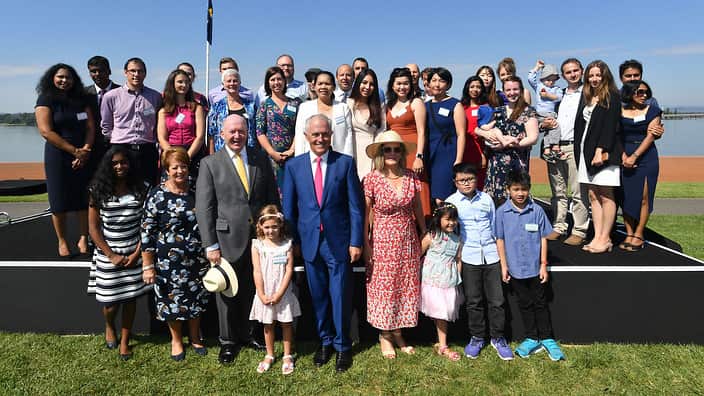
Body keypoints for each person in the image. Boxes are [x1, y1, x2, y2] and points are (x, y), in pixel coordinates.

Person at [282, 114, 364, 372]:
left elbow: (356, 208)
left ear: (331, 136)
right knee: (318, 296)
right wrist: (292, 241)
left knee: (340, 295)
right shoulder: (294, 167)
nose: (320, 138)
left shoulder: (346, 164)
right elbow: (289, 210)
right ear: (306, 137)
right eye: (315, 134)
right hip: (308, 242)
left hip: (338, 242)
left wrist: (356, 241)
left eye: (324, 134)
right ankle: (325, 341)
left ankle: (342, 346)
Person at [196, 114, 279, 364]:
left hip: (258, 240)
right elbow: (204, 208)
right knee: (227, 295)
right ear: (222, 134)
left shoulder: (259, 158)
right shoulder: (210, 163)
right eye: (231, 131)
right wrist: (210, 244)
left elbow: (270, 197)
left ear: (247, 133)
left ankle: (249, 334)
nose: (236, 136)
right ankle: (228, 342)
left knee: (253, 289)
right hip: (225, 240)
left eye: (241, 131)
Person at [141, 148, 209, 361]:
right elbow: (147, 231)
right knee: (172, 300)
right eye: (175, 167)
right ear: (166, 170)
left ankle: (195, 336)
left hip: (197, 259)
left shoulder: (197, 190)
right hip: (168, 262)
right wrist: (148, 265)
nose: (180, 171)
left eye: (184, 166)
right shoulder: (157, 195)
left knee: (196, 298)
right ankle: (177, 340)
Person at [362, 130, 425, 360]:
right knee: (384, 290)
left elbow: (417, 207)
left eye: (396, 149)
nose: (391, 153)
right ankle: (385, 335)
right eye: (387, 149)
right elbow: (365, 214)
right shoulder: (372, 179)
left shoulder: (410, 176)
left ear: (401, 153)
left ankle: (398, 332)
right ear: (380, 152)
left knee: (404, 287)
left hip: (407, 239)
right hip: (382, 241)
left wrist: (424, 232)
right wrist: (365, 244)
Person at [445, 163, 513, 361]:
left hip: (491, 255)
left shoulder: (486, 199)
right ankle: (476, 337)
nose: (466, 184)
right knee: (473, 301)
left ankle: (498, 338)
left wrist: (503, 261)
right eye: (462, 180)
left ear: (477, 180)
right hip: (469, 256)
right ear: (455, 182)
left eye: (470, 179)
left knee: (497, 301)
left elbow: (494, 227)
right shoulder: (452, 202)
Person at [496, 171, 565, 361]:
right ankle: (532, 337)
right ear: (508, 190)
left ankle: (547, 338)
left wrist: (543, 265)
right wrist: (504, 266)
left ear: (529, 190)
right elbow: (500, 240)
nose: (520, 193)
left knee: (540, 303)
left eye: (524, 189)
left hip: (535, 268)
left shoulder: (537, 211)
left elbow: (543, 238)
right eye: (516, 189)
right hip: (516, 270)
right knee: (524, 304)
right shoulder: (502, 213)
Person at [86, 147, 148, 360]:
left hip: (134, 252)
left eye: (124, 162)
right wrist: (110, 255)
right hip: (108, 253)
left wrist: (137, 253)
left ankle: (124, 341)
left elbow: (147, 224)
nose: (120, 166)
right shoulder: (97, 190)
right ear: (108, 166)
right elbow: (93, 228)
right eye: (115, 163)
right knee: (110, 304)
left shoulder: (142, 188)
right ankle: (109, 325)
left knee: (131, 300)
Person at [35, 63, 95, 257]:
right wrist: (74, 151)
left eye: (68, 77)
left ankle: (83, 237)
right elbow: (46, 131)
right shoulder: (46, 99)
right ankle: (62, 240)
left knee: (83, 197)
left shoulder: (81, 99)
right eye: (60, 77)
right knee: (58, 199)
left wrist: (85, 150)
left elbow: (90, 127)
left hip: (84, 154)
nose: (64, 80)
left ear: (74, 80)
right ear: (52, 78)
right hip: (58, 155)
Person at [574, 60, 622, 254]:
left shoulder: (611, 96)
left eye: (597, 75)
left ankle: (605, 238)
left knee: (606, 194)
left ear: (605, 76)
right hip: (585, 151)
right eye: (591, 76)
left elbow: (611, 126)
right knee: (593, 194)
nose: (594, 79)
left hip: (603, 153)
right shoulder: (587, 96)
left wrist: (600, 150)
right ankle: (597, 235)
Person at [541, 58, 590, 246]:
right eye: (568, 72)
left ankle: (579, 230)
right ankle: (559, 226)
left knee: (578, 192)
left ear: (581, 71)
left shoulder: (588, 94)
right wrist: (542, 124)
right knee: (558, 191)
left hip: (574, 147)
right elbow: (542, 116)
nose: (573, 74)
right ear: (563, 76)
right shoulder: (557, 95)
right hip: (554, 146)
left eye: (575, 70)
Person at [249, 205, 301, 375]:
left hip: (282, 292)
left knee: (286, 323)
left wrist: (279, 293)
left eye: (274, 227)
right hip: (265, 291)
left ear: (280, 226)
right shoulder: (257, 245)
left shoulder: (287, 245)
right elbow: (256, 270)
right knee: (268, 324)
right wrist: (262, 294)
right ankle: (270, 354)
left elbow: (288, 270)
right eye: (267, 227)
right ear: (260, 227)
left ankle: (287, 355)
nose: (270, 230)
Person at [478, 76, 539, 205]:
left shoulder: (528, 112)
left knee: (517, 200)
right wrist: (492, 141)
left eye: (515, 89)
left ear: (521, 90)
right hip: (496, 164)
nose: (512, 93)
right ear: (504, 92)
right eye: (508, 90)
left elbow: (533, 138)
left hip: (517, 163)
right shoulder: (498, 111)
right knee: (496, 201)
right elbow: (486, 132)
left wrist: (512, 143)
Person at [101, 57, 162, 185]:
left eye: (140, 71)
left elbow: (158, 124)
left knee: (148, 187)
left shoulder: (155, 97)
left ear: (145, 73)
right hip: (121, 149)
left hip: (147, 150)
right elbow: (106, 125)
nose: (136, 74)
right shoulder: (111, 96)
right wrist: (117, 141)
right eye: (132, 71)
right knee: (122, 187)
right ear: (125, 72)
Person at [619, 80, 663, 251]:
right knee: (626, 196)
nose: (644, 96)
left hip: (646, 157)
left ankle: (638, 234)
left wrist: (634, 156)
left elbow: (651, 136)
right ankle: (629, 233)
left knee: (644, 197)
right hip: (624, 156)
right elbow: (616, 135)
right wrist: (624, 156)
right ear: (629, 93)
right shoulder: (619, 111)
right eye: (639, 92)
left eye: (646, 92)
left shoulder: (653, 111)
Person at [420, 203, 463, 362]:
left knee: (444, 313)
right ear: (438, 220)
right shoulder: (431, 236)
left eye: (454, 219)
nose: (451, 223)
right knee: (440, 313)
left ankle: (441, 342)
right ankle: (443, 345)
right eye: (447, 219)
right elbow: (419, 252)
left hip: (448, 283)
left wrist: (457, 276)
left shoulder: (457, 240)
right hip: (432, 282)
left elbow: (458, 260)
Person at [386, 67, 431, 217]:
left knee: (416, 186)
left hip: (412, 151)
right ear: (392, 85)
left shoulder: (416, 102)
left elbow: (422, 131)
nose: (402, 87)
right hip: (394, 153)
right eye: (398, 83)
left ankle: (422, 227)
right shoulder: (389, 105)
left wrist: (419, 156)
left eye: (405, 83)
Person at [256, 66, 301, 195]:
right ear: (268, 83)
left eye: (279, 79)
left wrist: (291, 150)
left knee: (292, 191)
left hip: (293, 155)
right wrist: (272, 153)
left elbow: (300, 129)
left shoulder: (295, 103)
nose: (276, 83)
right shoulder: (264, 105)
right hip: (271, 157)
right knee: (273, 192)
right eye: (273, 80)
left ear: (284, 81)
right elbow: (260, 132)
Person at [425, 67, 466, 204]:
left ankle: (447, 224)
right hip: (429, 154)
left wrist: (458, 159)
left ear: (448, 84)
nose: (437, 84)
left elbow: (461, 134)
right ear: (428, 84)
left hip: (447, 155)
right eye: (434, 80)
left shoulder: (455, 104)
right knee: (429, 196)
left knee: (442, 197)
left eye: (442, 81)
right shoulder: (425, 106)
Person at [156, 69, 205, 178]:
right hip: (171, 153)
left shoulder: (197, 108)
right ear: (172, 84)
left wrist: (187, 157)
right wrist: (173, 156)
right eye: (180, 82)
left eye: (187, 82)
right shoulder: (163, 111)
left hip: (192, 152)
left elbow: (200, 137)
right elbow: (162, 138)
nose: (184, 85)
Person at [294, 71, 353, 156]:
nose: (323, 87)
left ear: (333, 87)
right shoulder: (305, 107)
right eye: (320, 83)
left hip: (338, 158)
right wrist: (299, 161)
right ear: (314, 86)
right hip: (311, 159)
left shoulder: (343, 108)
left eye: (327, 84)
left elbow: (348, 137)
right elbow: (300, 137)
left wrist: (348, 160)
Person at [207, 68, 257, 153]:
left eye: (235, 81)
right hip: (223, 153)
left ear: (240, 83)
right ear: (223, 84)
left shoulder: (250, 106)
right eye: (229, 81)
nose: (232, 83)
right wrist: (212, 156)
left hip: (248, 152)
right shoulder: (216, 107)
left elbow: (256, 131)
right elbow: (211, 134)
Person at [85, 56, 119, 174]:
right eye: (93, 71)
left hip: (116, 146)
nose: (97, 74)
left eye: (101, 70)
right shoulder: (83, 94)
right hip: (91, 147)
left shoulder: (122, 92)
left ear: (109, 71)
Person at [348, 68, 385, 179]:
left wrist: (377, 159)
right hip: (352, 152)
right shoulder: (347, 104)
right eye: (364, 83)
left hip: (371, 155)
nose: (367, 87)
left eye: (371, 84)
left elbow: (381, 133)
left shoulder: (379, 107)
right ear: (358, 83)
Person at [460, 75, 493, 189]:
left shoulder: (486, 108)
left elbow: (489, 133)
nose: (475, 89)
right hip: (464, 149)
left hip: (480, 150)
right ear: (467, 88)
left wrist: (484, 155)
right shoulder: (461, 107)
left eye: (478, 87)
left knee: (479, 183)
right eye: (472, 86)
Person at [527, 60, 564, 163]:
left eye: (553, 80)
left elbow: (559, 98)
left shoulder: (557, 89)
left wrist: (547, 95)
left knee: (550, 129)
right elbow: (530, 78)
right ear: (543, 79)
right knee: (556, 126)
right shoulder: (539, 86)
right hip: (540, 114)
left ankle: (547, 150)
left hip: (551, 114)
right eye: (548, 79)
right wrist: (537, 67)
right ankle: (555, 146)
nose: (550, 82)